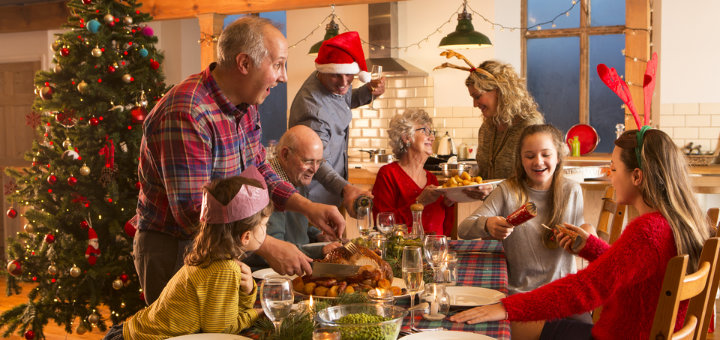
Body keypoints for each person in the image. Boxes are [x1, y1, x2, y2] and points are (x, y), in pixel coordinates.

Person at [133, 16, 345, 305]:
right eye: (278, 64)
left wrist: (307, 207)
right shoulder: (188, 112)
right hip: (177, 248)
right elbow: (193, 213)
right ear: (245, 64)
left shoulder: (246, 105)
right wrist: (267, 246)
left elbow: (259, 171)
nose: (283, 76)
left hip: (223, 243)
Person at [450, 128, 714, 340]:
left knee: (490, 329)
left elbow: (585, 289)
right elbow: (628, 266)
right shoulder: (675, 221)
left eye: (613, 168)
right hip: (632, 331)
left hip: (615, 335)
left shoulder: (647, 230)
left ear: (636, 176)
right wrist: (590, 246)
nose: (610, 176)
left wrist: (506, 307)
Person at [104, 168, 270, 340]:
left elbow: (226, 316)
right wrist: (255, 314)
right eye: (264, 225)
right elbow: (222, 333)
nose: (266, 229)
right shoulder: (224, 269)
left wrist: (247, 291)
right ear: (246, 236)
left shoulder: (210, 257)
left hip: (129, 332)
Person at [458, 124, 591, 334]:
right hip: (522, 296)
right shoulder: (507, 190)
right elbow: (463, 229)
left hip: (563, 296)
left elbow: (583, 233)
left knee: (584, 332)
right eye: (529, 156)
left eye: (545, 154)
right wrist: (487, 224)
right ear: (520, 159)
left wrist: (585, 234)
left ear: (558, 157)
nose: (538, 161)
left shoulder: (572, 190)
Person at [289, 31, 385, 214]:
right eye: (336, 76)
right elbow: (315, 163)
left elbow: (343, 100)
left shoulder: (331, 76)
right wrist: (347, 188)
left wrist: (369, 92)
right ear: (323, 71)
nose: (343, 82)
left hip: (333, 193)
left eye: (349, 75)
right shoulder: (313, 110)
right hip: (314, 201)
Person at [435, 51, 544, 200]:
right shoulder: (486, 129)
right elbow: (485, 176)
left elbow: (537, 180)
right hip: (494, 211)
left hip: (523, 211)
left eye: (477, 96)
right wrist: (470, 187)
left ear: (499, 91)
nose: (475, 104)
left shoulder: (529, 127)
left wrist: (494, 189)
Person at [244, 125, 342, 270]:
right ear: (285, 155)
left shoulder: (296, 177)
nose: (314, 169)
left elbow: (295, 230)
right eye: (308, 161)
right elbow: (271, 253)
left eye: (319, 162)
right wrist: (320, 251)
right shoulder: (266, 190)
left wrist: (318, 237)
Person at [372, 109, 455, 236]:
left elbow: (444, 230)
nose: (432, 137)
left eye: (431, 132)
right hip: (403, 253)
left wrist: (449, 204)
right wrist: (419, 203)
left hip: (434, 251)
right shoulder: (388, 174)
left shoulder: (432, 179)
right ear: (406, 137)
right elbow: (383, 226)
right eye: (424, 131)